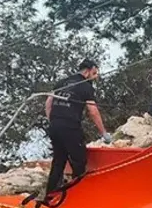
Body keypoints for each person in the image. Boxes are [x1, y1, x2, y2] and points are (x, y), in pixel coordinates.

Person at [44, 59, 110, 194]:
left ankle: (50, 196)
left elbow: (48, 104)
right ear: (87, 71)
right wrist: (103, 132)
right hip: (70, 127)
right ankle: (78, 194)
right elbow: (93, 111)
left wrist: (53, 122)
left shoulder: (62, 82)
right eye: (95, 72)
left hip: (55, 126)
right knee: (79, 161)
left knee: (58, 161)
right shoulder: (85, 86)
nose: (96, 76)